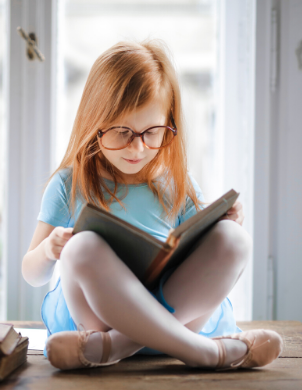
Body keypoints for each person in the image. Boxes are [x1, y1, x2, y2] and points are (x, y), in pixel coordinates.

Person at [22, 40, 283, 371]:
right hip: (97, 319)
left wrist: (228, 220)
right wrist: (49, 249)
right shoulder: (69, 183)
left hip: (170, 316)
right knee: (80, 248)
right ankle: (205, 353)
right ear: (94, 123)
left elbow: (207, 248)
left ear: (168, 124)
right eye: (121, 132)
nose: (138, 148)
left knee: (234, 238)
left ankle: (118, 346)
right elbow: (31, 273)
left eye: (153, 132)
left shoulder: (176, 181)